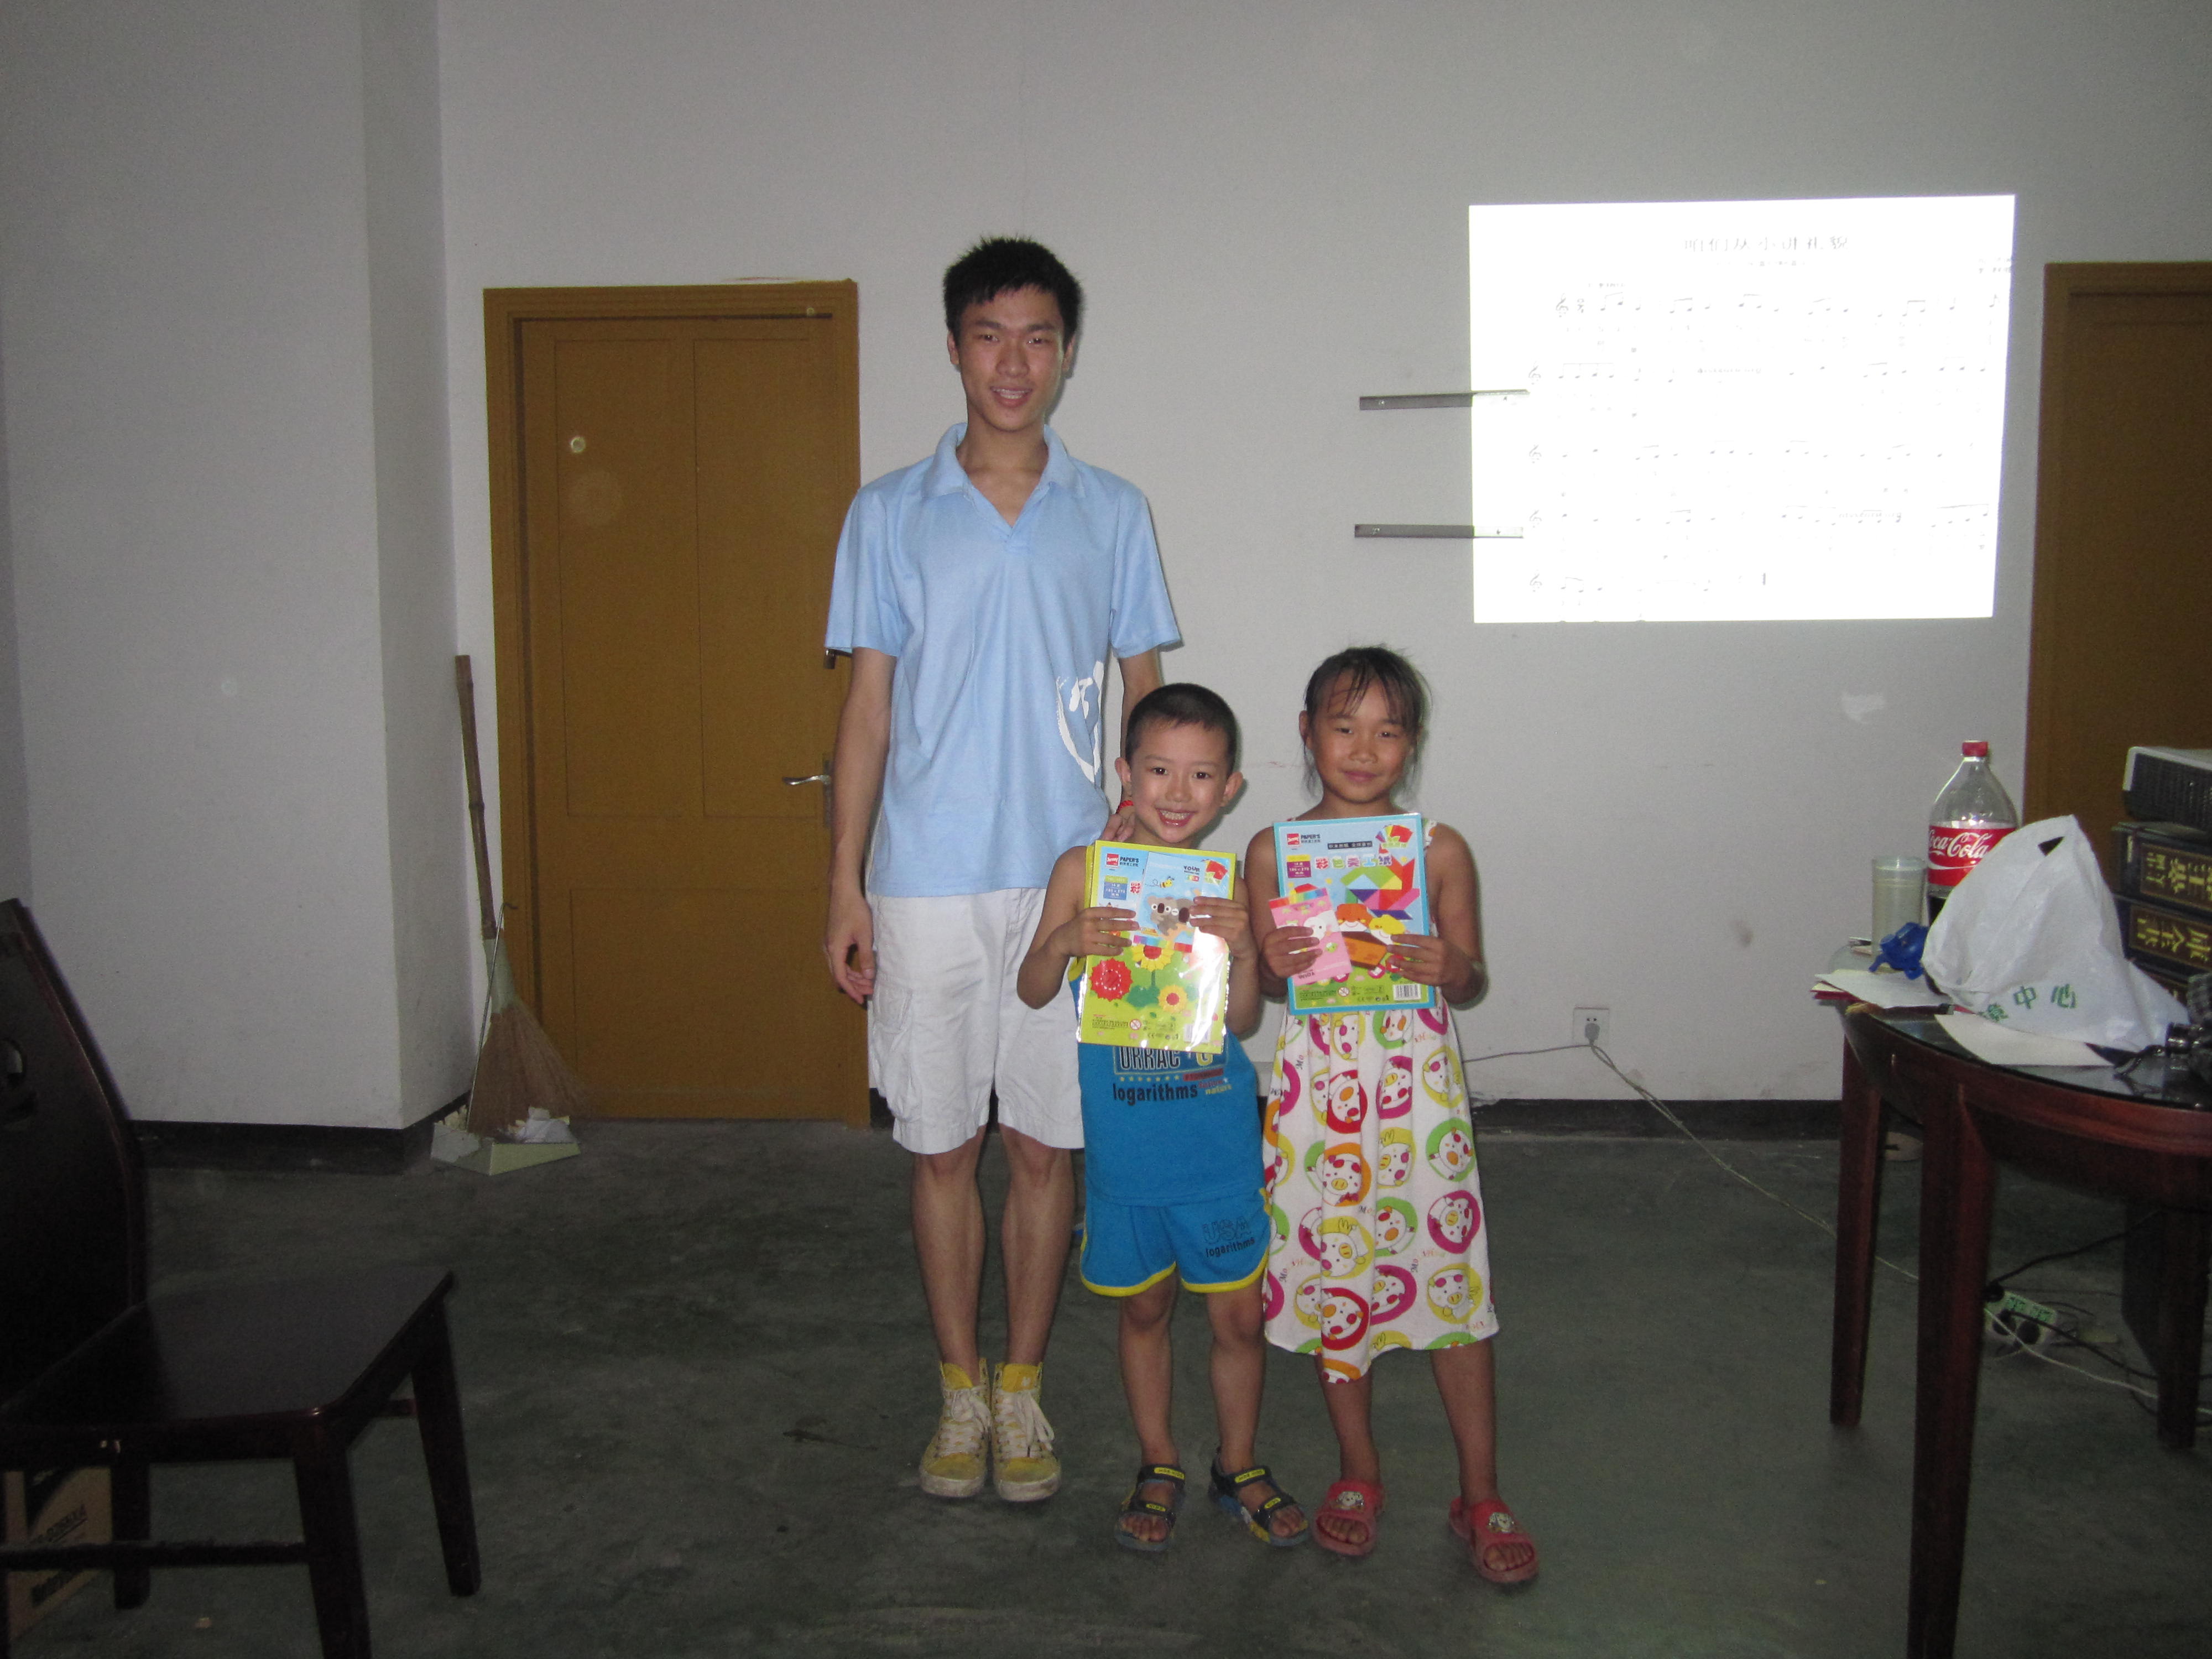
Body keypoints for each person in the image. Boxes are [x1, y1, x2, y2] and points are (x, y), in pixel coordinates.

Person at [821, 237, 1178, 1504]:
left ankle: (1021, 1390)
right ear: (953, 348)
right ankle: (956, 1387)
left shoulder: (1112, 511)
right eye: (988, 335)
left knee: (1041, 1146)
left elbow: (1150, 696)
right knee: (938, 1147)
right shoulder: (888, 514)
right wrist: (844, 882)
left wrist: (1149, 856)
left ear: (1067, 352)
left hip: (1067, 883)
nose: (1012, 362)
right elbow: (867, 713)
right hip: (922, 878)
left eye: (1036, 337)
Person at [1245, 647, 1538, 1582]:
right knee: (1341, 1274)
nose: (1364, 750)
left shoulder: (1439, 849)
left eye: (1387, 731)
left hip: (1420, 1098)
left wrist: (1452, 967)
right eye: (1343, 727)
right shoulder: (1272, 853)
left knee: (1451, 1280)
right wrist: (1273, 963)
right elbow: (1271, 990)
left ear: (1412, 744)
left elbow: (1472, 977)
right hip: (1320, 1098)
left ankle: (1479, 1490)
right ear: (1307, 734)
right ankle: (1358, 1471)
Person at [1016, 684, 1307, 1552]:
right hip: (1127, 1147)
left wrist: (1245, 948)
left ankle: (1238, 1463)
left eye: (1202, 775)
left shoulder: (1229, 890)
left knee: (1238, 1318)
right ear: (1125, 773)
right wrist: (1065, 942)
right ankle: (1159, 1460)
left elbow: (1243, 1022)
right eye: (1159, 770)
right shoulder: (1083, 872)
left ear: (1231, 789)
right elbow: (1032, 989)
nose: (1178, 793)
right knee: (1143, 1310)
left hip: (1216, 1143)